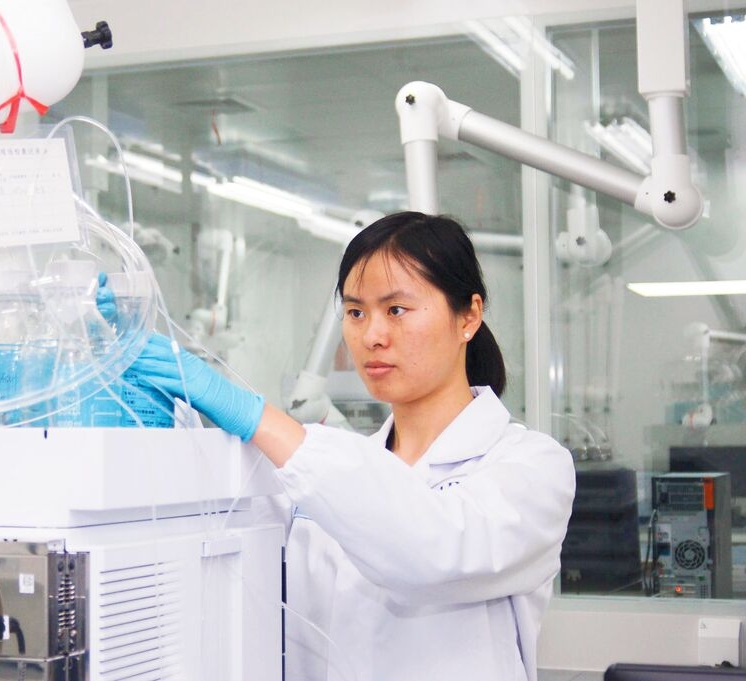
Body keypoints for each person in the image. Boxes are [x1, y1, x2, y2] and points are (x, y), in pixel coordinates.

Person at [126, 211, 576, 681]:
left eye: (396, 310)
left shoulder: (531, 466)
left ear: (469, 316)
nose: (372, 336)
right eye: (356, 312)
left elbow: (432, 551)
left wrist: (257, 416)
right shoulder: (336, 474)